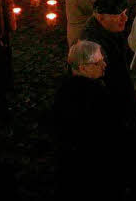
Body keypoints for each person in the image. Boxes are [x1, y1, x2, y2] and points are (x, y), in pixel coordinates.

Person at [52, 40, 125, 201]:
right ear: (82, 68)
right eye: (98, 63)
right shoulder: (95, 96)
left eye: (103, 60)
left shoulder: (64, 89)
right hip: (92, 168)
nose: (104, 65)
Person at [80, 0, 135, 124]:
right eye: (118, 15)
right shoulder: (93, 46)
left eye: (125, 13)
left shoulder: (114, 29)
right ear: (100, 17)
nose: (125, 18)